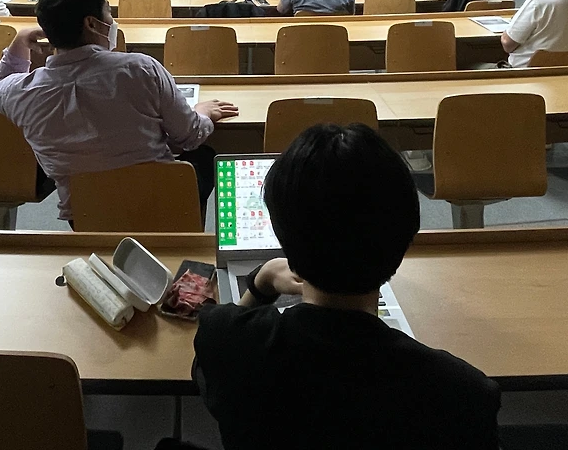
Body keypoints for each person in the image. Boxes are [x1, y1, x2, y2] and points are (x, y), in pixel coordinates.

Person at [194, 123, 500, 449]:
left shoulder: (229, 344)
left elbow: (205, 367)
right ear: (404, 238)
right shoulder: (462, 393)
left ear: (284, 238)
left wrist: (260, 284)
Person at [0, 0, 237, 224]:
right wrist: (203, 113)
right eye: (108, 12)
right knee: (203, 156)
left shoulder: (22, 92)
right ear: (91, 23)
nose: (112, 20)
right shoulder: (141, 69)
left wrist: (20, 39)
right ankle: (188, 234)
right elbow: (189, 135)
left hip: (86, 216)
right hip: (157, 204)